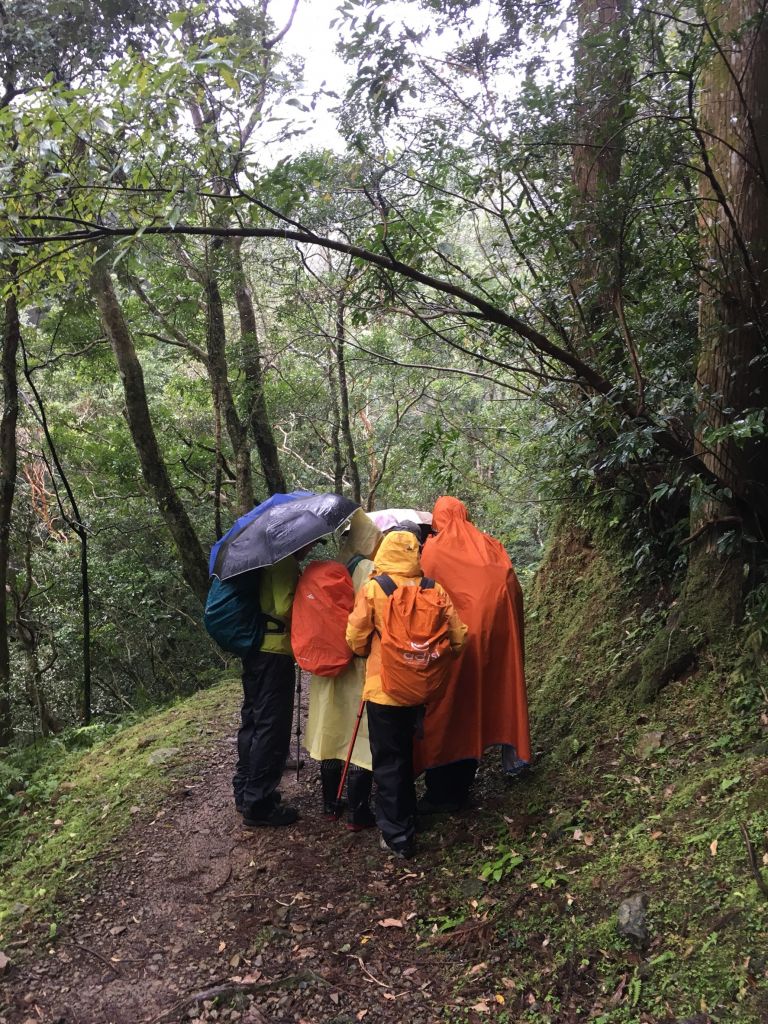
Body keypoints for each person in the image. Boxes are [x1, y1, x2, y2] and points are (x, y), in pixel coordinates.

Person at [346, 530, 467, 859]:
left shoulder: (375, 588)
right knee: (406, 753)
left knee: (388, 760)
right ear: (416, 553)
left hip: (384, 691)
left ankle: (397, 834)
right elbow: (458, 639)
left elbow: (355, 638)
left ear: (384, 552)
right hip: (420, 690)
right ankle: (408, 816)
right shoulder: (434, 589)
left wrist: (371, 648)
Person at [415, 496, 531, 811]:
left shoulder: (433, 551)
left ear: (438, 519)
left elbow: (421, 598)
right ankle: (463, 785)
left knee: (447, 711)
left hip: (451, 646)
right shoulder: (491, 545)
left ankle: (440, 792)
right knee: (477, 706)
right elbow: (510, 590)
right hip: (491, 643)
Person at [304, 510, 381, 830]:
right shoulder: (369, 570)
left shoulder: (327, 568)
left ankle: (329, 805)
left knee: (330, 729)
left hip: (326, 665)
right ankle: (359, 812)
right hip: (357, 664)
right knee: (358, 735)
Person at [234, 546, 313, 828]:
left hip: (256, 648)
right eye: (310, 544)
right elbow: (285, 607)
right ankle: (259, 804)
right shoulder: (285, 564)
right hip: (274, 652)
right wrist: (309, 598)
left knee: (253, 721)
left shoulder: (266, 562)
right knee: (272, 725)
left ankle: (245, 792)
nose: (311, 547)